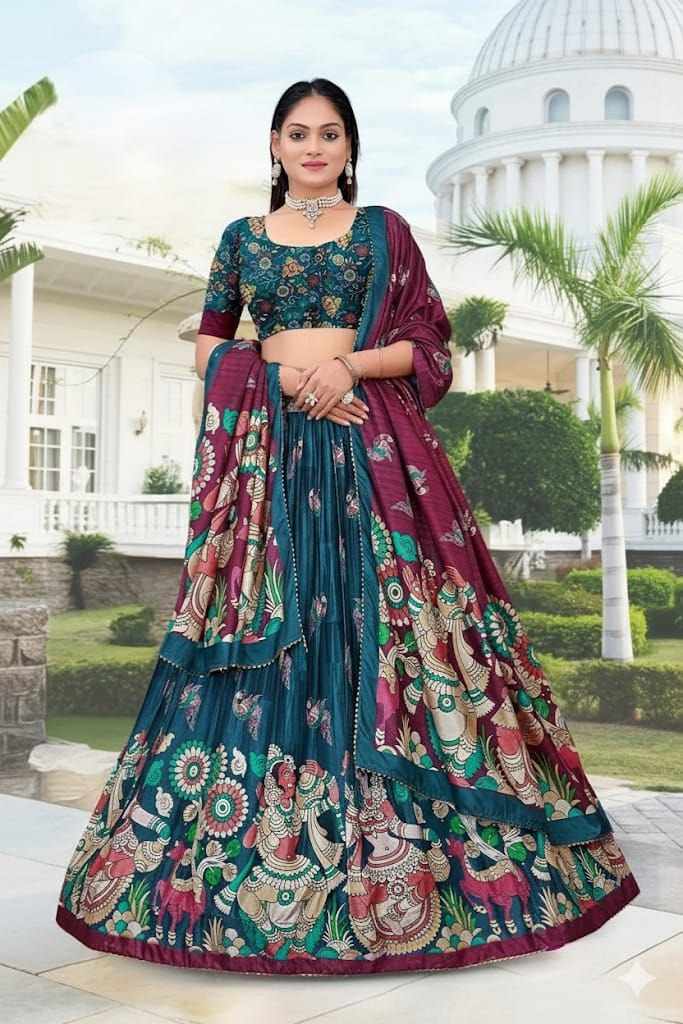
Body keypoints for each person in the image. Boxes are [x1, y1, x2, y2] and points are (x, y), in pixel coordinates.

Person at [55, 78, 639, 976]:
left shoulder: (383, 232)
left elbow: (430, 342)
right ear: (275, 145)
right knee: (270, 634)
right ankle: (230, 882)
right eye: (298, 133)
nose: (314, 147)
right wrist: (287, 380)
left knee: (393, 626)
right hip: (275, 459)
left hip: (372, 448)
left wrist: (348, 369)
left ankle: (440, 872)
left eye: (329, 134)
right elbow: (210, 346)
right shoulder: (241, 239)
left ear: (350, 146)